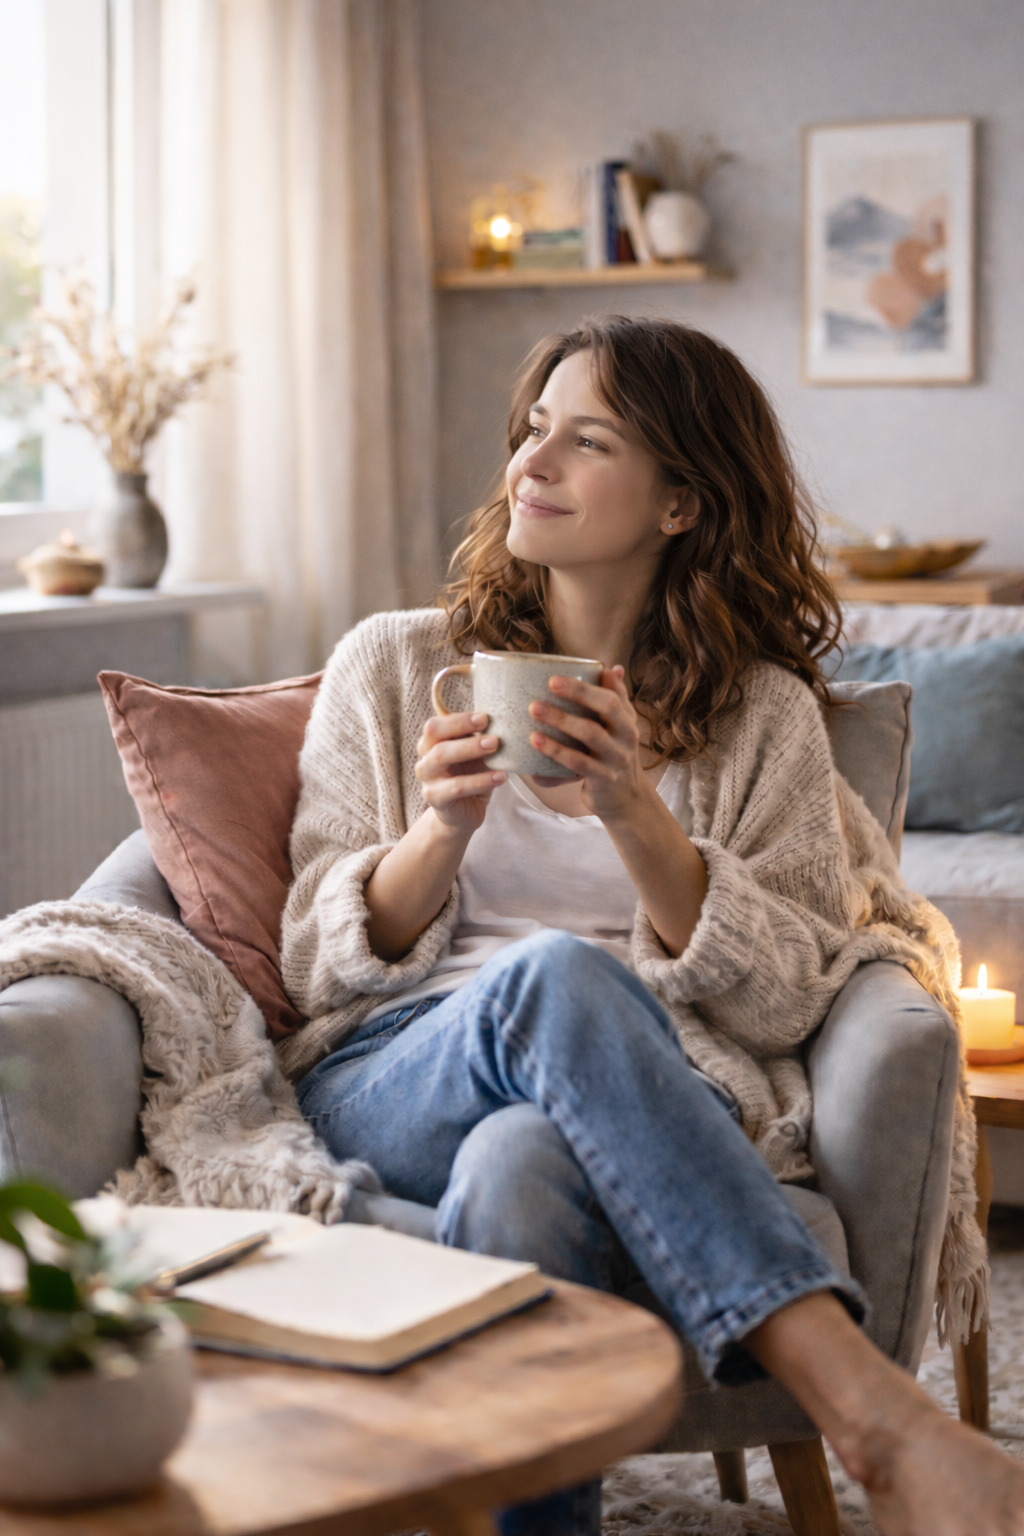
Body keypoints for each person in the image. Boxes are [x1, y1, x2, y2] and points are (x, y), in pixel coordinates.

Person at [280, 317, 1024, 1536]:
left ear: (681, 500)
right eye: (532, 434)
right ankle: (870, 1417)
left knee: (517, 1169)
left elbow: (790, 995)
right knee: (556, 976)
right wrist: (438, 836)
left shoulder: (762, 719)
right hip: (386, 1071)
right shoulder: (397, 666)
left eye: (587, 442)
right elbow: (313, 965)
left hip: (632, 1095)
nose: (533, 463)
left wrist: (640, 818)